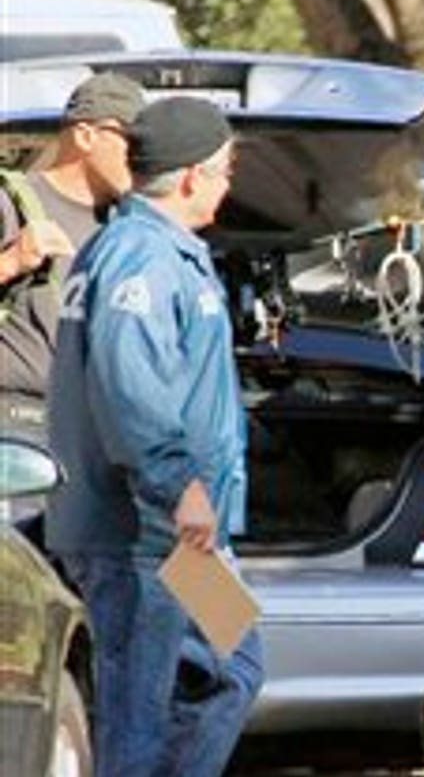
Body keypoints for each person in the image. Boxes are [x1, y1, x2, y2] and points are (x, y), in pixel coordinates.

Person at [45, 97, 263, 777]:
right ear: (194, 176)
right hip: (142, 530)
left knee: (235, 669)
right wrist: (180, 486)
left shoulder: (163, 251)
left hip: (182, 532)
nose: (231, 184)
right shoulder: (139, 257)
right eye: (227, 170)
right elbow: (130, 392)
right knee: (137, 715)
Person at [0, 71, 146, 444]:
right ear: (85, 135)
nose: (141, 156)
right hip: (15, 431)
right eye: (132, 140)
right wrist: (12, 262)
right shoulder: (10, 204)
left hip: (94, 432)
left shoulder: (130, 225)